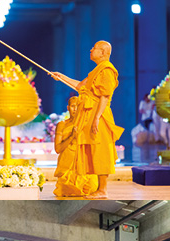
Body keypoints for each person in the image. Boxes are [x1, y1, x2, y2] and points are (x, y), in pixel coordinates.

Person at [50, 41, 124, 199]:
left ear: (103, 52)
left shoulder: (107, 70)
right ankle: (99, 189)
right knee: (93, 150)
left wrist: (97, 117)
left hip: (99, 115)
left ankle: (103, 190)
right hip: (89, 116)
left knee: (101, 150)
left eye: (94, 48)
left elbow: (105, 95)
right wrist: (61, 77)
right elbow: (80, 86)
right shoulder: (96, 71)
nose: (91, 50)